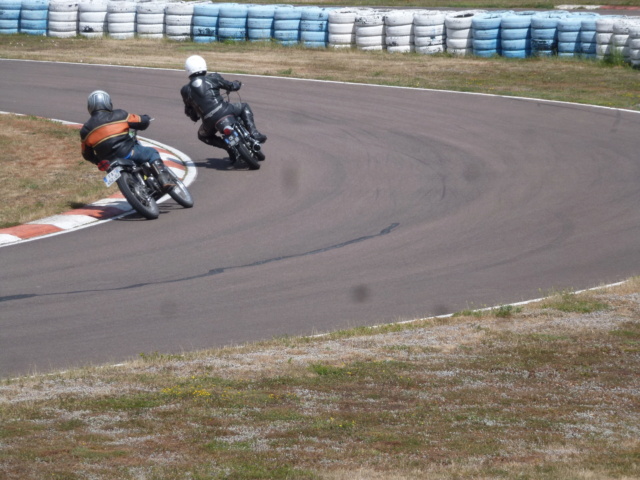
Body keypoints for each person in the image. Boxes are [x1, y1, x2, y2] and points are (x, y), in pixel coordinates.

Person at [80, 90, 175, 189]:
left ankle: (135, 189)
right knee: (152, 152)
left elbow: (86, 154)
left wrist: (97, 160)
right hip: (127, 152)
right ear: (108, 103)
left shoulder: (85, 130)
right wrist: (146, 119)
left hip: (109, 162)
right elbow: (140, 120)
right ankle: (164, 178)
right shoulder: (120, 114)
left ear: (90, 107)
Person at [180, 55, 267, 162]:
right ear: (203, 66)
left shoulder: (185, 90)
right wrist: (237, 83)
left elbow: (189, 111)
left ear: (187, 70)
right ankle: (254, 133)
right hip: (225, 110)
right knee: (244, 106)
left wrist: (194, 117)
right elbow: (231, 86)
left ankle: (228, 147)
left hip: (209, 121)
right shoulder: (213, 78)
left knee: (202, 135)